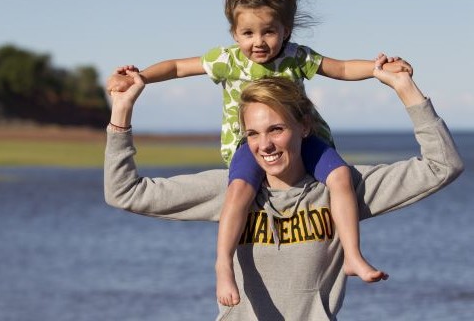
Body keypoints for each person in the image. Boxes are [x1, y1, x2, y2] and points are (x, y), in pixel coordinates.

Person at [107, 0, 413, 306]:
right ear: (234, 33)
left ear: (286, 31)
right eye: (247, 33)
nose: (259, 41)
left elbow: (340, 68)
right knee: (238, 190)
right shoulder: (227, 60)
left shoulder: (297, 56)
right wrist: (141, 77)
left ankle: (352, 255)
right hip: (248, 144)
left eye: (269, 31)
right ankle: (223, 264)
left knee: (340, 177)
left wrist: (380, 69)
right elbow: (178, 67)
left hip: (305, 139)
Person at [105, 55, 463, 320]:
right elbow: (124, 192)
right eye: (254, 134)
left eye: (276, 129)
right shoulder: (229, 191)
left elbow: (442, 165)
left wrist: (405, 89)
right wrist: (121, 112)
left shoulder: (342, 189)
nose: (265, 145)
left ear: (304, 126)